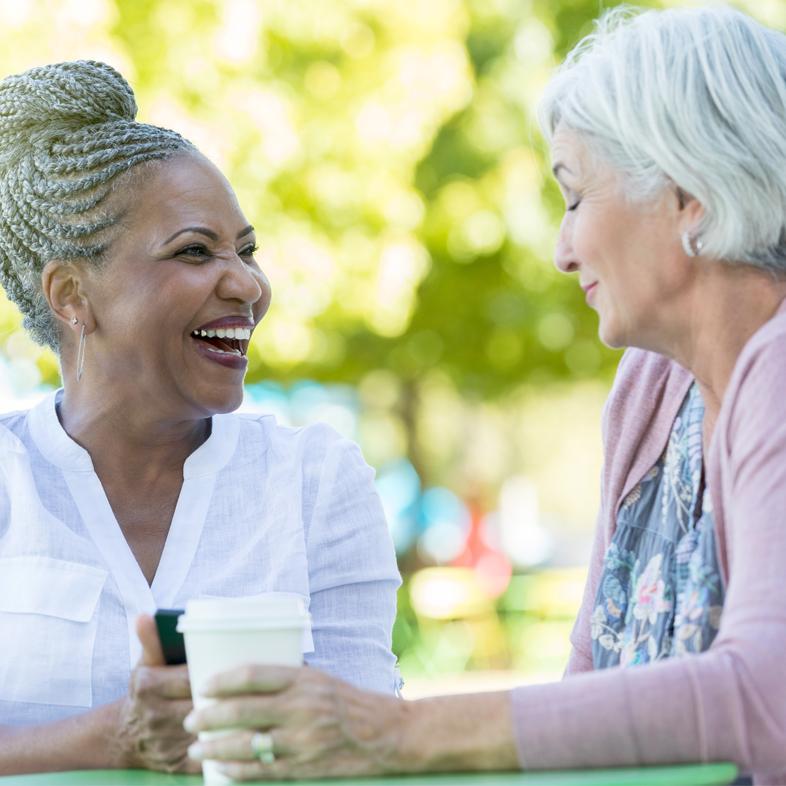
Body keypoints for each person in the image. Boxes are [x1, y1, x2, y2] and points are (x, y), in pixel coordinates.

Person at [183, 6, 786, 785]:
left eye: (574, 199)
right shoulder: (653, 384)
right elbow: (592, 676)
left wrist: (393, 732)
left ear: (688, 192)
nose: (564, 253)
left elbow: (766, 700)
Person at [0, 60, 401, 775]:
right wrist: (114, 739)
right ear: (69, 294)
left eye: (246, 252)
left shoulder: (314, 482)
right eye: (194, 251)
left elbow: (372, 739)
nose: (247, 285)